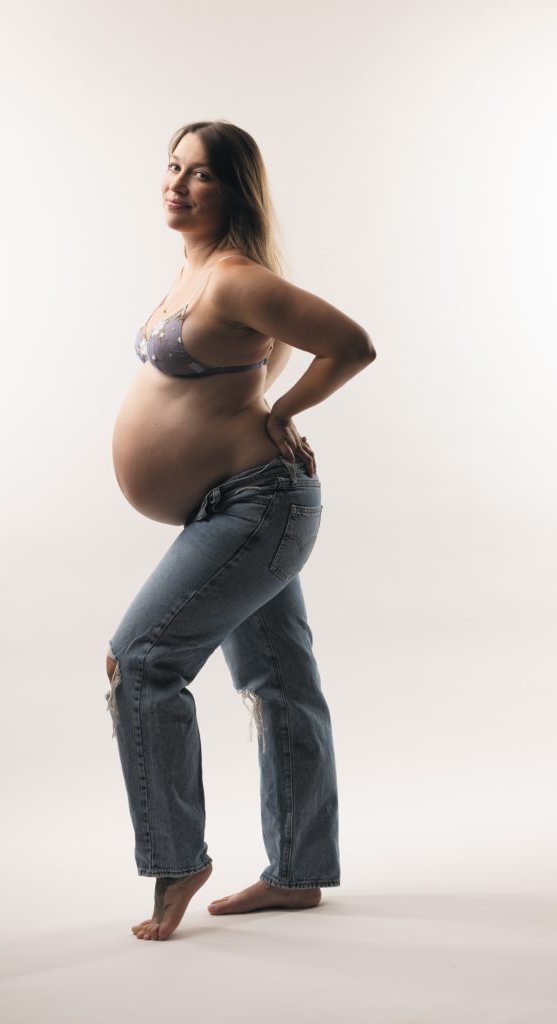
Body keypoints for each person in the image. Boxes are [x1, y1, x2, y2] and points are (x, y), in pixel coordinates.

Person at [105, 120, 376, 941]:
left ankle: (177, 857)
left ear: (234, 191)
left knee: (142, 660)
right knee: (280, 684)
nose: (178, 184)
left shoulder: (234, 278)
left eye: (201, 175)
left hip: (258, 507)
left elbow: (351, 345)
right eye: (172, 167)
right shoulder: (188, 274)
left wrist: (282, 413)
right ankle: (296, 873)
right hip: (234, 507)